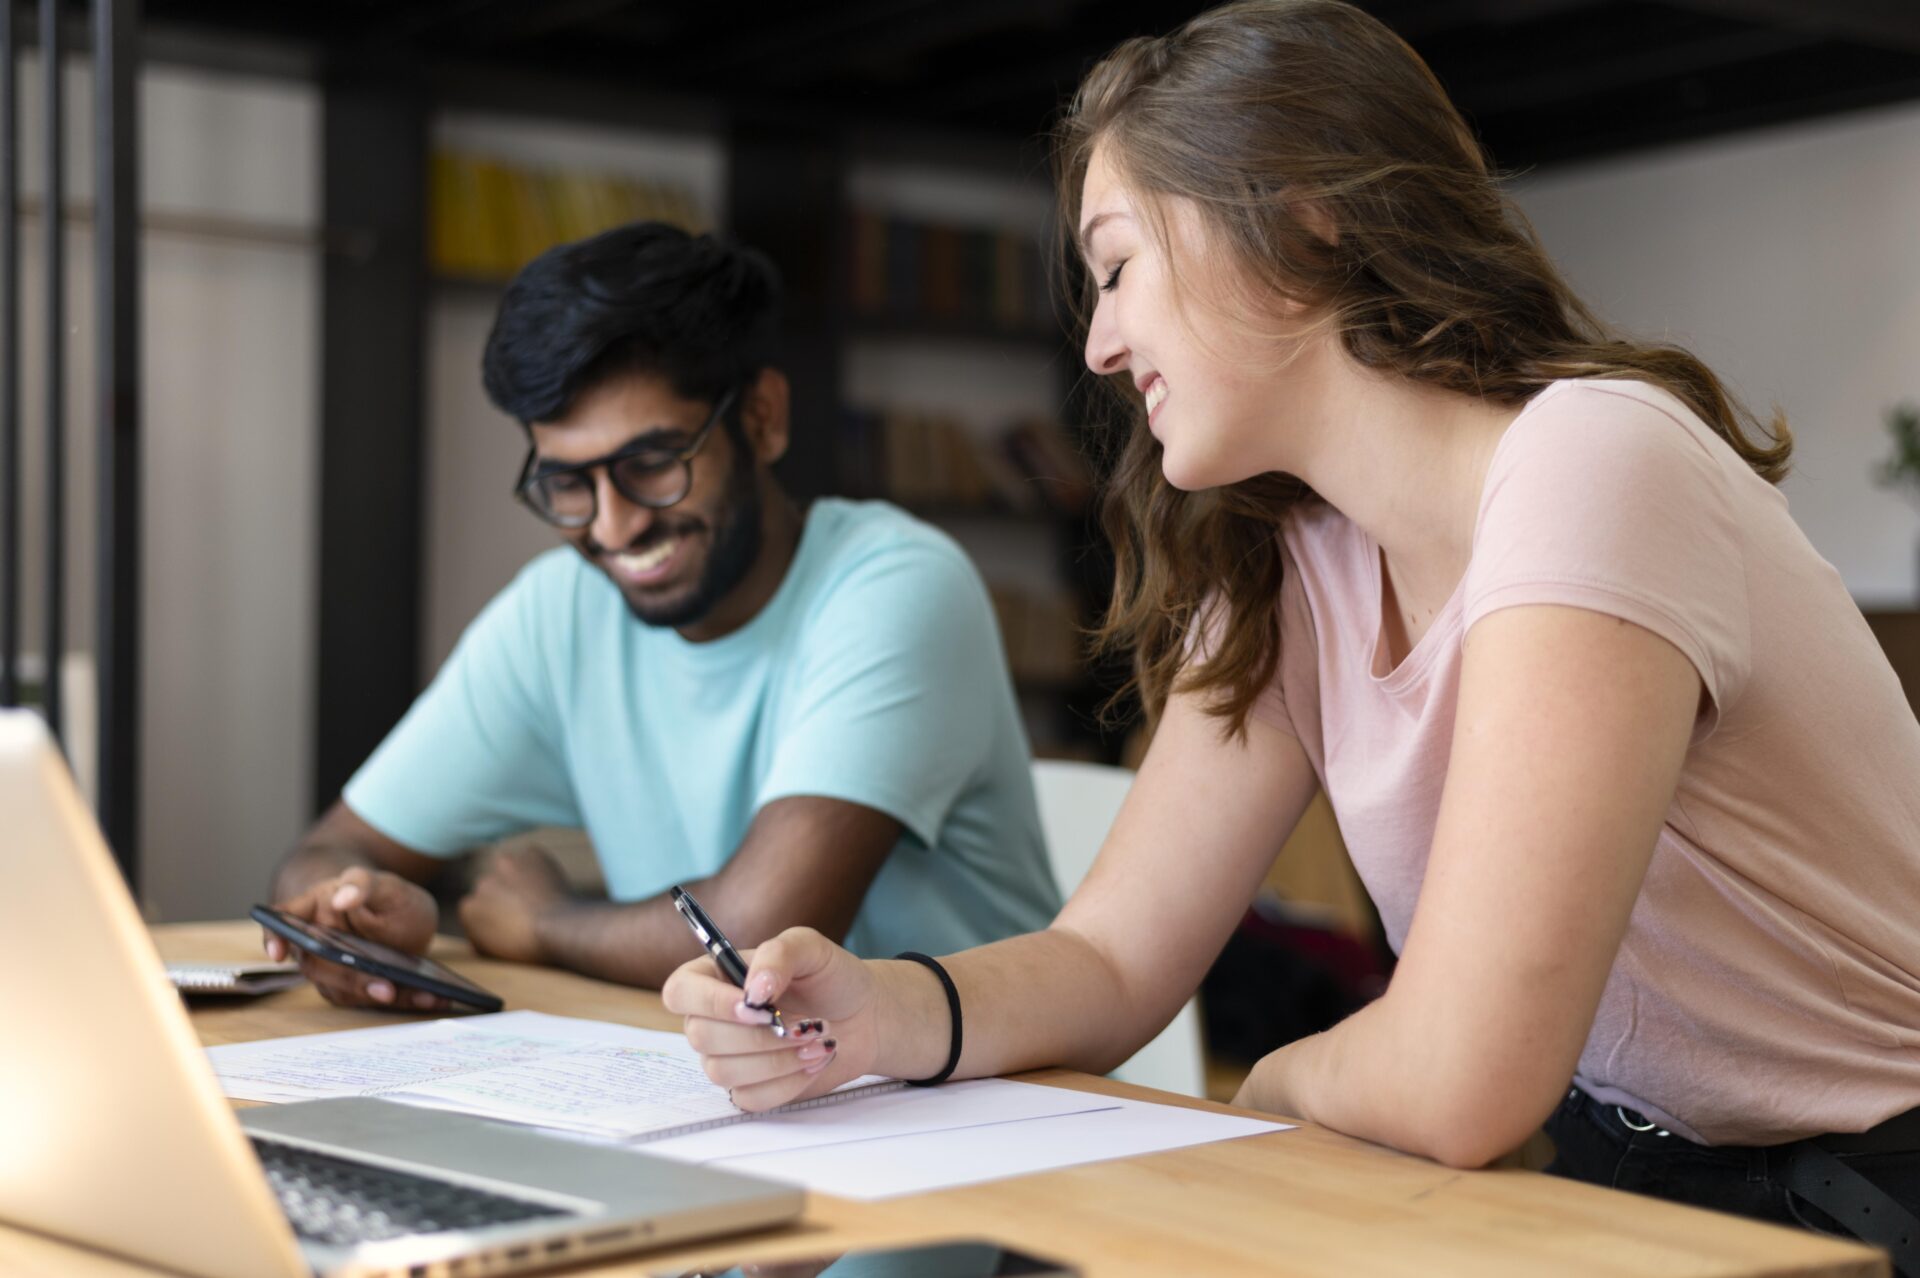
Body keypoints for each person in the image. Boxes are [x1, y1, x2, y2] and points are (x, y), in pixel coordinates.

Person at [664, 0, 1920, 1262]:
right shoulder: (1289, 556)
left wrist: (1269, 1089)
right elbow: (1110, 959)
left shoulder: (1593, 459)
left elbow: (1459, 1078)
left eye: (1117, 267)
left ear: (1302, 213)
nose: (1099, 343)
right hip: (1635, 1172)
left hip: (1881, 1187)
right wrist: (871, 1014)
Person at [263, 221, 1061, 1007]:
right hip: (749, 1096)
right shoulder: (558, 614)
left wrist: (547, 923)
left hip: (1002, 1110)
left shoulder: (896, 585)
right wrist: (347, 916)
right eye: (568, 483)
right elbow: (330, 848)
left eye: (651, 464)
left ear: (763, 418)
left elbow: (760, 936)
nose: (613, 527)